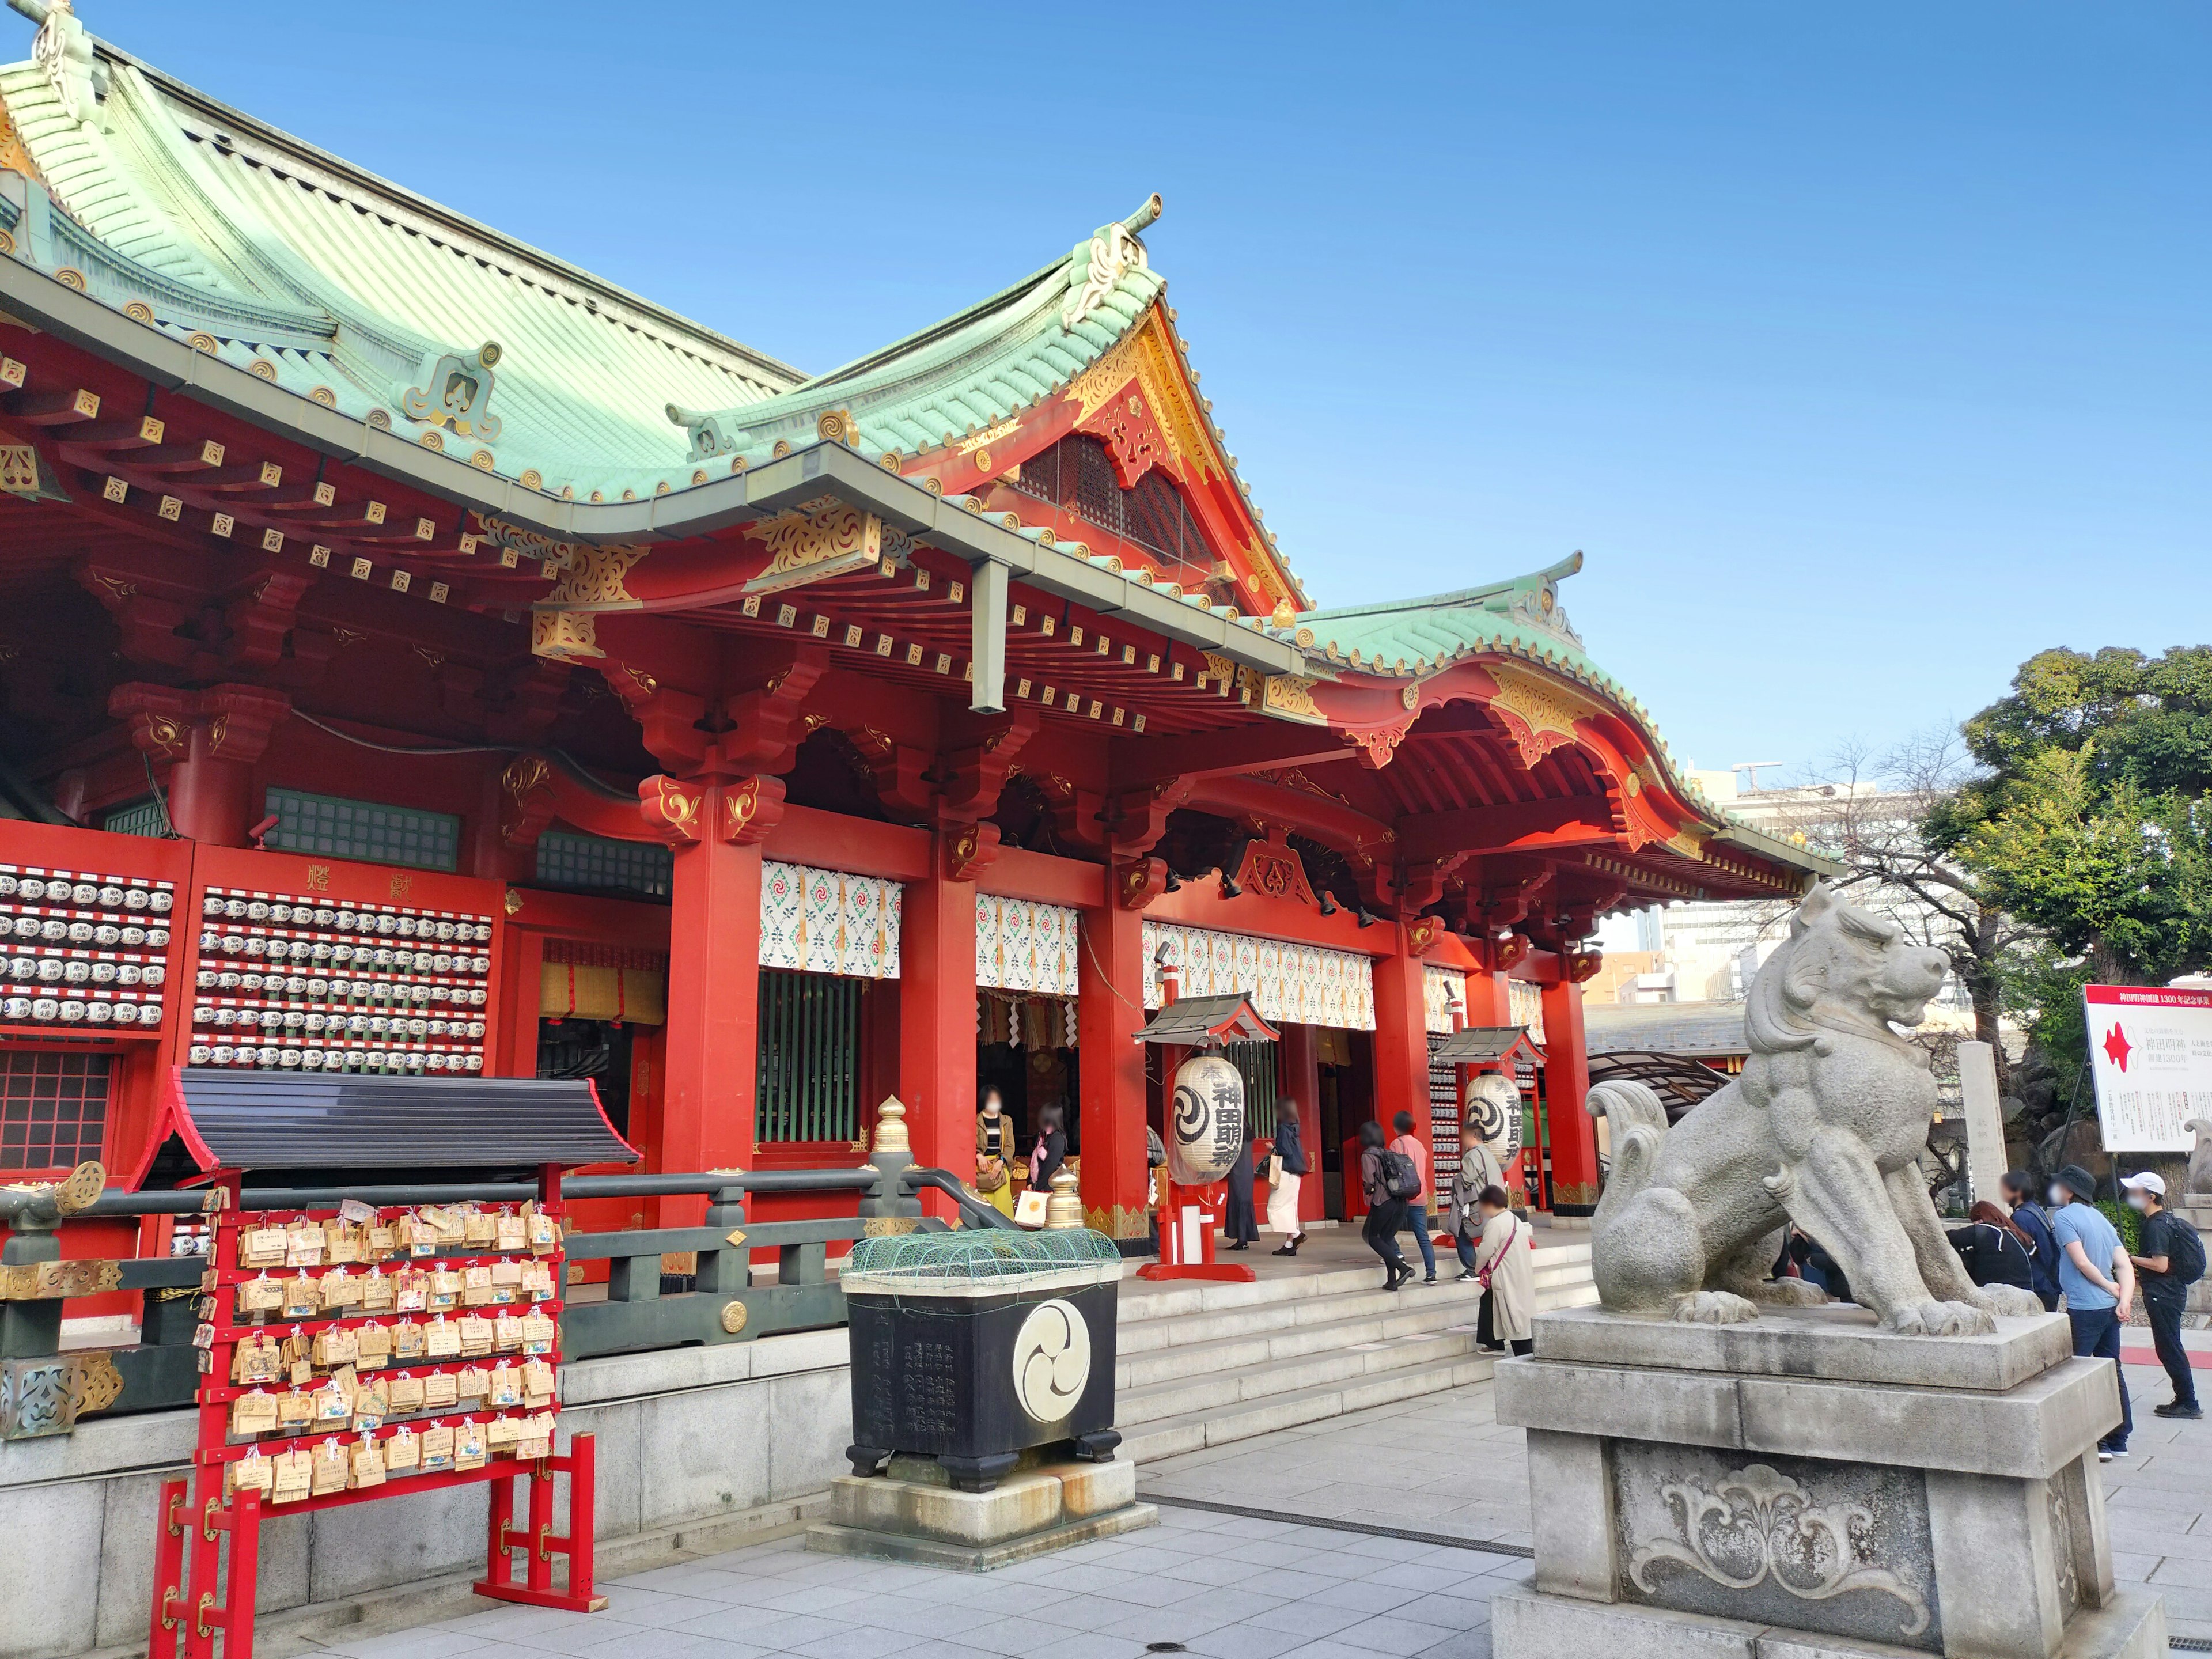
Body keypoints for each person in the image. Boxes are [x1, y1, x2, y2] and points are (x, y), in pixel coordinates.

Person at [2050, 1164, 2134, 1460]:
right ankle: (2119, 1438)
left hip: (2085, 1307)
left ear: (2070, 1191)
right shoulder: (2101, 1219)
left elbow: (2082, 1263)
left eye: (2059, 1186)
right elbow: (2124, 1265)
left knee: (2079, 1370)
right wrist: (2123, 1298)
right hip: (2109, 1310)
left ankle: (2095, 1441)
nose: (2056, 1191)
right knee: (2113, 1367)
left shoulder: (2063, 1217)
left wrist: (2112, 1289)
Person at [2123, 1172, 2202, 1421]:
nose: (2131, 1196)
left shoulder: (2156, 1224)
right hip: (2171, 1292)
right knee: (2170, 1346)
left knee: (2169, 1348)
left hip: (2163, 1293)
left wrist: (2130, 1258)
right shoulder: (2167, 1220)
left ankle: (2188, 1402)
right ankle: (2184, 1399)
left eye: (2136, 1192)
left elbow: (2160, 1264)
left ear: (2151, 1196)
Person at [1471, 1185, 1535, 1355]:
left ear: (1489, 1204)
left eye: (1482, 1206)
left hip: (1504, 1275)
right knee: (1507, 1310)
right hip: (1518, 1272)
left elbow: (1486, 1251)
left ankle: (1515, 1352)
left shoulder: (1496, 1224)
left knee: (1512, 1314)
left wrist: (1478, 1269)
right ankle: (1494, 1343)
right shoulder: (1515, 1220)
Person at [1357, 1120, 1413, 1291]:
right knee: (1387, 1239)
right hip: (1401, 1202)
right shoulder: (1388, 1153)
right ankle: (1391, 1281)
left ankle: (1403, 1268)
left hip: (1384, 1202)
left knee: (1372, 1237)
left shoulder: (1368, 1155)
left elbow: (1369, 1181)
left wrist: (1369, 1196)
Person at [2001, 1169, 2063, 1312]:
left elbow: (2024, 1255)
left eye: (2004, 1188)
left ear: (2016, 1191)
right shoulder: (2035, 1210)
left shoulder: (2021, 1218)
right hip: (2049, 1283)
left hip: (2038, 1286)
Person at [1388, 1111, 1438, 1285]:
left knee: (1386, 1231)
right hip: (1421, 1194)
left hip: (1403, 1196)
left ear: (1396, 1127)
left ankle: (1398, 1255)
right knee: (1423, 1237)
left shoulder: (1397, 1144)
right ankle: (1431, 1273)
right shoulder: (1420, 1145)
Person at [1946, 1200, 2038, 1291]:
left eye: (1974, 1221)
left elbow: (1948, 1237)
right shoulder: (2016, 1234)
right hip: (2025, 1291)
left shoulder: (1987, 1230)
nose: (1974, 1225)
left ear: (1980, 1219)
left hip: (1999, 1292)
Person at [1267, 1099, 1309, 1256]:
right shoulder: (1295, 1128)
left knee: (1275, 1208)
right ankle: (1290, 1243)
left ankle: (1297, 1234)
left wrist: (1273, 1148)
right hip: (1296, 1175)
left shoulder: (1283, 1129)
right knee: (1290, 1209)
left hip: (1285, 1173)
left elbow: (1285, 1152)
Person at [973, 1087, 1014, 1217]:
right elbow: (968, 1144)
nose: (995, 1102)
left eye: (997, 1099)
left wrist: (1001, 1161)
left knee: (1003, 1207)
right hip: (981, 1169)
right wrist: (979, 1156)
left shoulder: (1006, 1121)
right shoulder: (975, 1121)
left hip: (1000, 1167)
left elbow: (1010, 1146)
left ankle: (1003, 1237)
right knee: (984, 1207)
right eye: (991, 1099)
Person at [1222, 1135, 1259, 1251]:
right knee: (1244, 1203)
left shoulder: (1236, 1138)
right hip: (1247, 1171)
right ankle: (1244, 1237)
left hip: (1238, 1172)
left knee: (1238, 1202)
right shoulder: (1248, 1138)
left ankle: (1242, 1238)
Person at [1029, 1103, 1068, 1196]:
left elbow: (1050, 1166)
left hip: (1051, 1188)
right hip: (1040, 1185)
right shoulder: (1042, 1137)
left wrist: (1037, 1187)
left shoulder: (1057, 1138)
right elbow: (1035, 1162)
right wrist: (1030, 1182)